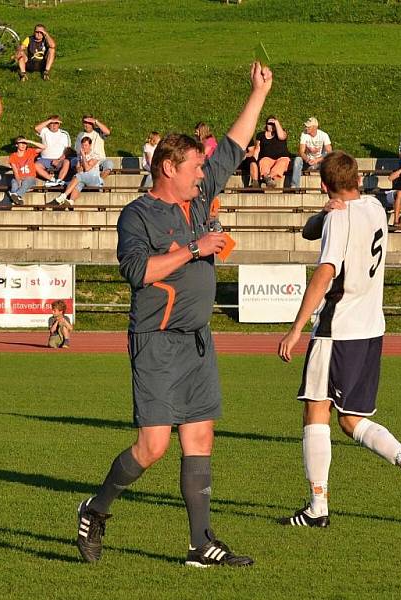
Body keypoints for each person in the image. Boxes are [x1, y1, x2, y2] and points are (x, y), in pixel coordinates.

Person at [74, 61, 273, 568]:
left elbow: (231, 143)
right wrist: (196, 247)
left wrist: (257, 93)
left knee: (200, 436)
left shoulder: (199, 196)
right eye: (194, 168)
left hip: (197, 340)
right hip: (157, 340)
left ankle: (200, 542)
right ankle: (95, 510)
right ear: (168, 169)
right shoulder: (137, 214)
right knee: (153, 447)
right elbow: (139, 272)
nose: (203, 174)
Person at [278, 150, 401, 528]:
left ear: (324, 185)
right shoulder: (374, 207)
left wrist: (297, 327)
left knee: (315, 408)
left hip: (338, 327)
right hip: (371, 327)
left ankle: (317, 508)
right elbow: (312, 228)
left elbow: (325, 272)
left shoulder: (338, 219)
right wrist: (327, 212)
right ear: (356, 179)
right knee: (351, 420)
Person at [50, 136, 102, 209]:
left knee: (79, 176)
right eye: (82, 145)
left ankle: (63, 196)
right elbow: (78, 169)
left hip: (95, 179)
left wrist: (83, 157)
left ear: (90, 145)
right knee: (78, 182)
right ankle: (71, 201)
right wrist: (82, 164)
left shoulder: (95, 155)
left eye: (86, 145)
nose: (84, 147)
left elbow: (86, 168)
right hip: (84, 177)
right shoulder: (79, 155)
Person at [5, 137, 48, 206]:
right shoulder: (13, 156)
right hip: (19, 177)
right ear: (16, 145)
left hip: (30, 178)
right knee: (14, 183)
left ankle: (16, 195)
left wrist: (30, 141)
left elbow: (44, 147)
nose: (23, 145)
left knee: (26, 182)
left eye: (25, 143)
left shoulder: (30, 151)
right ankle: (17, 199)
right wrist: (19, 182)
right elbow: (15, 172)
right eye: (21, 143)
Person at [290, 117, 332, 189]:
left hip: (320, 162)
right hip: (308, 162)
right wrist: (307, 159)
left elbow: (329, 152)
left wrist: (317, 160)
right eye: (306, 126)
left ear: (315, 127)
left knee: (328, 161)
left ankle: (325, 186)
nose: (306, 128)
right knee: (297, 160)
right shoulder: (304, 134)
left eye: (308, 126)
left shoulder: (324, 135)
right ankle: (295, 186)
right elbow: (301, 152)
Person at [34, 115, 71, 186]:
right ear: (48, 124)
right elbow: (36, 128)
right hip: (45, 159)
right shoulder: (45, 131)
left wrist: (59, 160)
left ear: (59, 124)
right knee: (36, 165)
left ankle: (59, 181)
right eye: (52, 123)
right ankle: (52, 180)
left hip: (59, 159)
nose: (54, 125)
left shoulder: (64, 134)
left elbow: (68, 150)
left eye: (56, 123)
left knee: (67, 162)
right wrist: (50, 120)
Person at [254, 116, 290, 188]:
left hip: (281, 157)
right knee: (263, 161)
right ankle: (267, 177)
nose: (271, 125)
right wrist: (254, 160)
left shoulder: (282, 132)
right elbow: (257, 149)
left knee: (283, 162)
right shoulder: (260, 135)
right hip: (267, 158)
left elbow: (281, 137)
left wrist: (276, 122)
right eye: (269, 123)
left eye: (272, 124)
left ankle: (269, 177)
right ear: (266, 124)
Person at [75, 114, 113, 180]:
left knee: (109, 164)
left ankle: (99, 182)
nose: (87, 125)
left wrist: (96, 121)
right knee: (79, 168)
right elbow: (78, 151)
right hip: (87, 161)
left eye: (89, 123)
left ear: (93, 123)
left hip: (101, 160)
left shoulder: (99, 131)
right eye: (85, 123)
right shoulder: (80, 135)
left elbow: (108, 132)